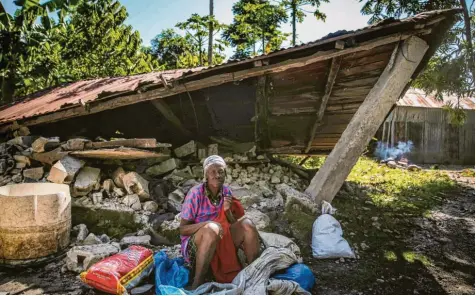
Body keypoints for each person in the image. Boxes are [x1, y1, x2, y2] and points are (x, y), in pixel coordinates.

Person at [179, 155, 260, 289]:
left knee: (248, 225)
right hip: (197, 244)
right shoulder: (195, 194)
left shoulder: (226, 191)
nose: (217, 175)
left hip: (222, 239)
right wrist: (206, 224)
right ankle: (197, 283)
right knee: (211, 229)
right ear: (206, 175)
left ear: (225, 174)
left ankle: (254, 274)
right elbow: (182, 229)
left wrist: (227, 211)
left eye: (220, 171)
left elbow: (231, 223)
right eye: (212, 172)